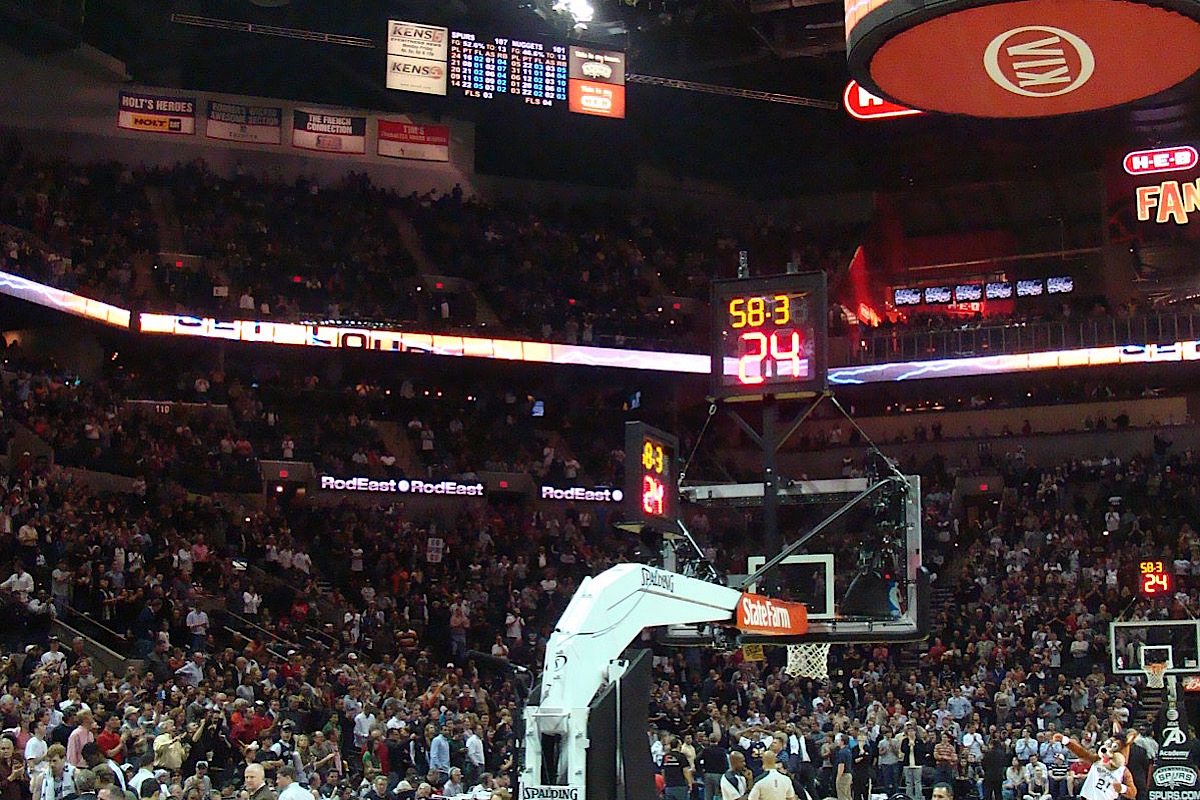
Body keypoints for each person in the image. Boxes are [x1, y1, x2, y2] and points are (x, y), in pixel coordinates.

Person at [700, 733, 729, 800]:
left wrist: (700, 771)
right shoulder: (721, 750)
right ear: (718, 740)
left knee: (708, 795)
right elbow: (725, 763)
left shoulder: (706, 750)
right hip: (719, 775)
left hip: (708, 774)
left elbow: (697, 759)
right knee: (719, 795)